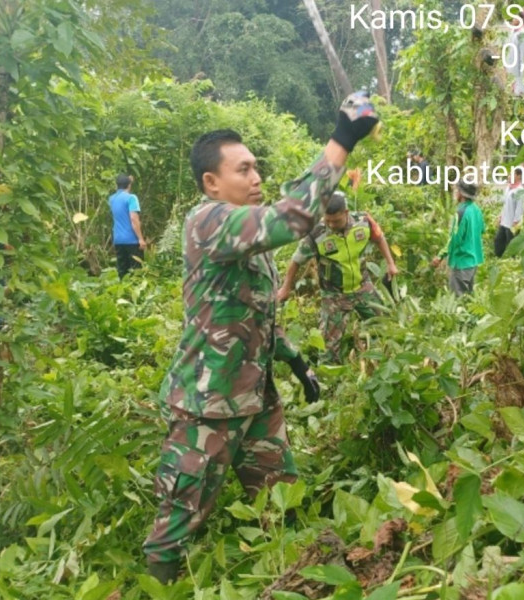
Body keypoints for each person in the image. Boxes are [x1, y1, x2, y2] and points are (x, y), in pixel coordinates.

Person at [142, 92, 378, 585]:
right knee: (179, 518)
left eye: (256, 169)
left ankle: (290, 580)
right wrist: (341, 140)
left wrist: (294, 362)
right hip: (208, 405)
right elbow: (291, 217)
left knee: (282, 503)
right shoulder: (207, 222)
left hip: (256, 400)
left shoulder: (248, 237)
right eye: (243, 170)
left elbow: (257, 316)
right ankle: (155, 590)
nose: (256, 178)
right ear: (211, 183)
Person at [277, 191, 398, 362]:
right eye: (328, 220)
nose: (331, 225)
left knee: (385, 327)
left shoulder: (363, 222)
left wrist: (391, 264)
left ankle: (385, 361)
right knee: (327, 348)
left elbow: (379, 238)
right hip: (334, 295)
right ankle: (329, 380)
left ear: (346, 213)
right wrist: (286, 287)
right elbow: (296, 261)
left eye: (336, 220)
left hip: (363, 286)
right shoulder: (316, 234)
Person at [432, 182, 485, 295]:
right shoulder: (476, 210)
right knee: (468, 299)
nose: (456, 193)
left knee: (457, 300)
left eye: (457, 190)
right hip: (473, 261)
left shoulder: (461, 213)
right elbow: (482, 229)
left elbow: (456, 240)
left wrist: (440, 255)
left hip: (462, 262)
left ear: (461, 194)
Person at [108, 174, 146, 279]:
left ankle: (123, 293)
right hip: (132, 240)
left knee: (122, 270)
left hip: (118, 239)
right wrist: (141, 239)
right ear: (129, 185)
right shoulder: (131, 198)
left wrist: (128, 180)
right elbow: (134, 219)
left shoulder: (112, 199)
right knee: (137, 271)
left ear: (117, 185)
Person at [494, 170, 524, 258]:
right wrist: (500, 216)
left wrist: (516, 221)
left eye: (511, 174)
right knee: (498, 240)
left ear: (518, 176)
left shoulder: (520, 190)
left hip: (513, 223)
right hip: (505, 220)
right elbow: (505, 204)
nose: (509, 176)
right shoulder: (508, 188)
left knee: (512, 243)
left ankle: (513, 262)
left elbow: (520, 207)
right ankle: (499, 259)